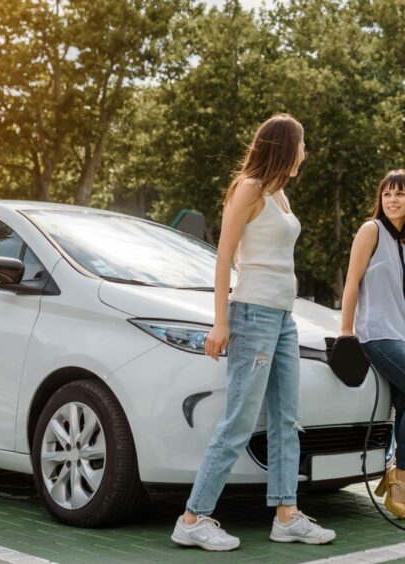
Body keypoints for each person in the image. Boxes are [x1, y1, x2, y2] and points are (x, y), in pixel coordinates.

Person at [171, 114, 336, 551]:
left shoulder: (278, 193)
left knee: (287, 419)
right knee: (240, 420)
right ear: (285, 147)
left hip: (283, 318)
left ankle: (286, 514)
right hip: (253, 315)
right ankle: (192, 517)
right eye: (302, 145)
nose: (306, 153)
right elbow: (224, 256)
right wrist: (221, 322)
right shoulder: (248, 188)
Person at [339, 169, 405, 521]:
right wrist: (345, 329)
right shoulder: (371, 231)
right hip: (377, 333)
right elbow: (352, 281)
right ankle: (401, 479)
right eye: (387, 194)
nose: (393, 200)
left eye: (400, 194)